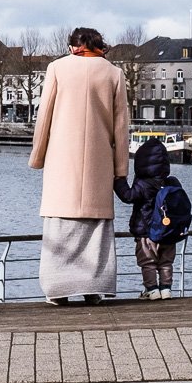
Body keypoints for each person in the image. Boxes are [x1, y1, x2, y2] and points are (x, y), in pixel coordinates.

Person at [29, 27, 130, 305]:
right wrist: (121, 171)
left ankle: (58, 289)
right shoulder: (113, 73)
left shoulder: (57, 68)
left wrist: (37, 157)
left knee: (60, 225)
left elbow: (44, 118)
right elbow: (121, 129)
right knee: (95, 229)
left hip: (61, 164)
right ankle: (93, 288)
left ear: (73, 45)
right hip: (99, 165)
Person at [114, 138, 181, 299]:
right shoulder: (171, 182)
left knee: (148, 263)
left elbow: (128, 196)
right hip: (168, 233)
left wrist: (119, 181)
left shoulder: (144, 184)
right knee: (166, 262)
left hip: (146, 232)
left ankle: (151, 289)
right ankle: (166, 289)